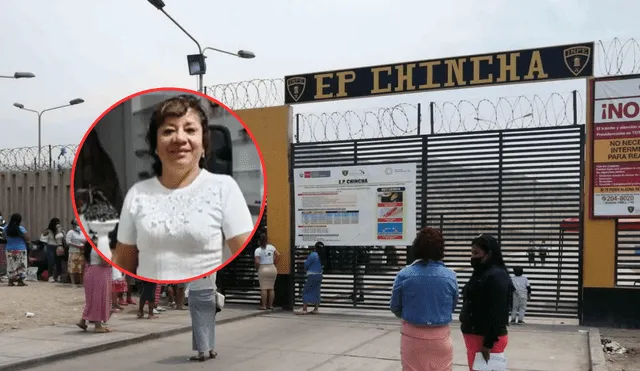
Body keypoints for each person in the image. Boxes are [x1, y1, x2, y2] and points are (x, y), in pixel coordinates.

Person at [114, 94, 254, 281]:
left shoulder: (224, 188)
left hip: (203, 299)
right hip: (151, 301)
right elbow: (123, 264)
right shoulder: (137, 194)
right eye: (168, 131)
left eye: (190, 130)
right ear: (155, 146)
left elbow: (244, 254)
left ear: (204, 144)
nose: (179, 138)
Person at [390, 227, 459, 371]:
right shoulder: (450, 276)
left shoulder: (404, 274)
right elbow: (451, 306)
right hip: (441, 337)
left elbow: (395, 307)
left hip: (412, 336)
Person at [460, 234, 514, 370]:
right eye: (472, 253)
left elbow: (498, 311)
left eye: (476, 253)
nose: (472, 257)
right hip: (475, 337)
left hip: (486, 340)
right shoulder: (481, 272)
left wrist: (488, 343)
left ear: (489, 254)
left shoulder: (496, 276)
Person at [77, 238, 112, 333]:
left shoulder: (89, 244)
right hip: (99, 273)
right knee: (98, 299)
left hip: (90, 271)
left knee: (91, 299)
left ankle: (83, 320)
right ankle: (98, 325)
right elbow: (104, 261)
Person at [187, 274, 218, 362]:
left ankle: (201, 353)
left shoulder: (193, 264)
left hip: (195, 292)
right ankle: (211, 350)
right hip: (210, 292)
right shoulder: (212, 263)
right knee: (209, 324)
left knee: (198, 325)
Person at [254, 233, 280, 310]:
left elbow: (257, 262)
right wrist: (274, 263)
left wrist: (257, 268)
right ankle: (270, 305)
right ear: (267, 240)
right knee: (271, 288)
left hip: (263, 269)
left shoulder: (258, 250)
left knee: (264, 288)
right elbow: (278, 255)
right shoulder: (272, 247)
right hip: (272, 268)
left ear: (259, 241)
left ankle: (264, 306)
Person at [3, 213, 30, 286]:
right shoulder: (21, 229)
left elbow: (5, 238)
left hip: (9, 248)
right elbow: (27, 239)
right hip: (20, 249)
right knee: (21, 265)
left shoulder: (5, 228)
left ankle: (10, 281)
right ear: (19, 221)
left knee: (11, 264)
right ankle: (20, 281)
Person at [298, 241, 324, 315]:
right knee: (316, 291)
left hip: (312, 275)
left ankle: (304, 309)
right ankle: (316, 309)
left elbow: (306, 264)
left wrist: (306, 269)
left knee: (306, 291)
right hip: (319, 275)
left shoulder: (313, 254)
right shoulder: (322, 255)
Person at [40, 218, 65, 283]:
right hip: (50, 246)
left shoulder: (61, 231)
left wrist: (61, 231)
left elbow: (63, 238)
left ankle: (59, 276)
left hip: (58, 247)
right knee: (51, 261)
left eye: (59, 223)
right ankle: (50, 276)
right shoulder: (49, 231)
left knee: (58, 262)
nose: (58, 225)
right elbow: (42, 237)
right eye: (56, 223)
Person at [66, 219, 86, 288]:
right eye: (77, 224)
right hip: (73, 251)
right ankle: (73, 283)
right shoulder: (70, 232)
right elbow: (68, 242)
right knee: (72, 267)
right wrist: (76, 245)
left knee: (81, 267)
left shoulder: (82, 232)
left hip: (82, 252)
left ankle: (82, 282)